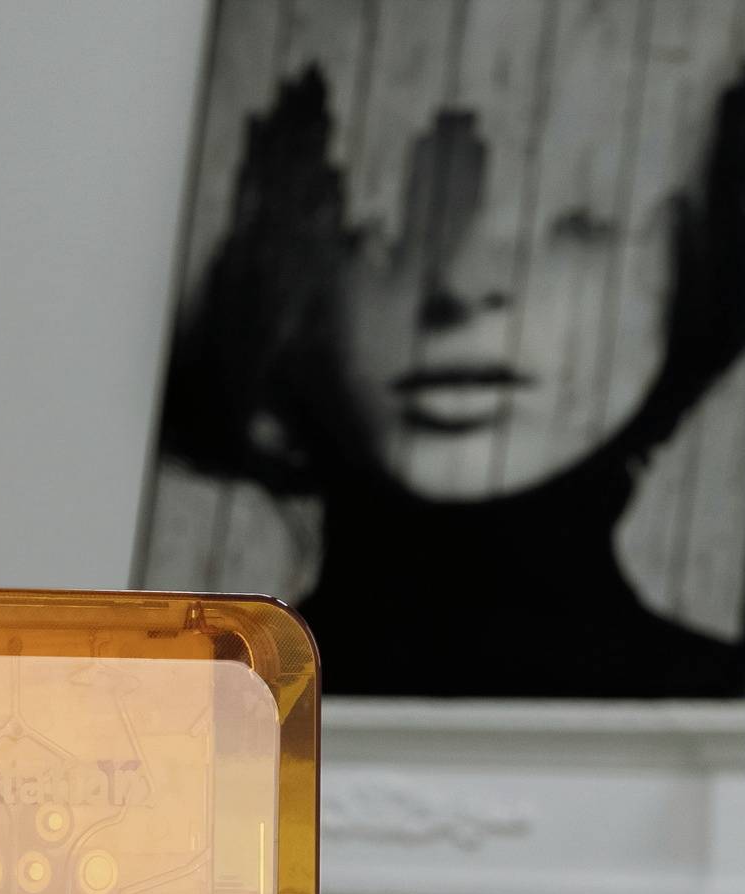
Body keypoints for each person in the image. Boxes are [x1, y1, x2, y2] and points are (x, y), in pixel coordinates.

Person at [158, 64, 745, 696]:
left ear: (689, 255)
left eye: (576, 221)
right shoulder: (164, 724)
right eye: (375, 227)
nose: (458, 286)